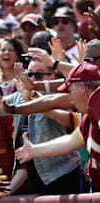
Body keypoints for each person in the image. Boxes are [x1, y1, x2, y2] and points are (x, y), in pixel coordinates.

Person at [0, 59, 81, 195]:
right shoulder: (18, 97)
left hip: (61, 171)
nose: (33, 79)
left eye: (39, 75)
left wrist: (34, 99)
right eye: (29, 74)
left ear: (51, 78)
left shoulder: (58, 97)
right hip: (33, 171)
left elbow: (69, 121)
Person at [15, 62, 100, 191]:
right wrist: (33, 150)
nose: (69, 97)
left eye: (69, 91)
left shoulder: (97, 102)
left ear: (82, 87)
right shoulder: (89, 117)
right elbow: (70, 141)